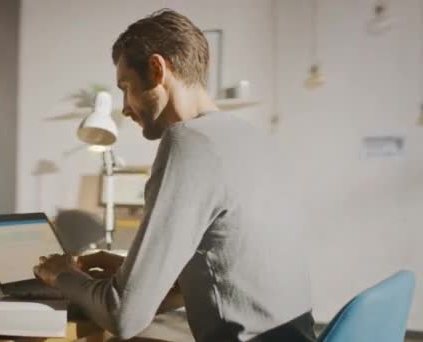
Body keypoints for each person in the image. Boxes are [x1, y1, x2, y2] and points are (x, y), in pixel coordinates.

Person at [34, 9, 315, 342]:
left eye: (126, 87)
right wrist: (136, 273)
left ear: (157, 70)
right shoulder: (249, 137)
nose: (124, 107)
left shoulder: (188, 143)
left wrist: (62, 275)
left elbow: (123, 316)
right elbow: (231, 269)